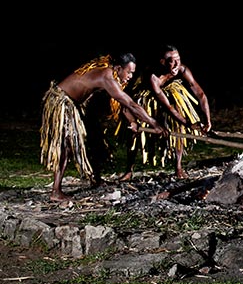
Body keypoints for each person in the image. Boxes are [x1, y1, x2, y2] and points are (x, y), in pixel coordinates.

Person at [40, 53, 168, 202]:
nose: (131, 76)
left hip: (77, 104)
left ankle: (96, 179)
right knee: (67, 145)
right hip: (62, 101)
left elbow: (124, 106)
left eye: (133, 72)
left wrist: (133, 122)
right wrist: (154, 123)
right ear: (119, 68)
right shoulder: (107, 77)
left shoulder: (112, 74)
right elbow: (130, 103)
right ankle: (56, 191)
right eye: (129, 72)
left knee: (95, 137)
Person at [119, 44, 212, 181]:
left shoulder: (182, 69)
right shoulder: (153, 77)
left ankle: (178, 167)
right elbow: (168, 107)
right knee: (135, 131)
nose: (176, 64)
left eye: (178, 60)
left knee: (178, 127)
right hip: (147, 97)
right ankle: (129, 170)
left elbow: (201, 94)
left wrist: (208, 120)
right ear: (162, 62)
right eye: (171, 61)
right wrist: (188, 124)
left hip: (169, 93)